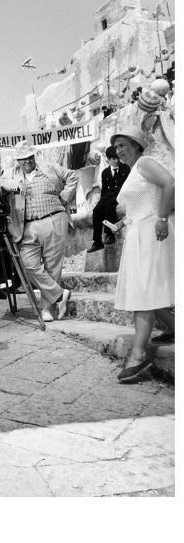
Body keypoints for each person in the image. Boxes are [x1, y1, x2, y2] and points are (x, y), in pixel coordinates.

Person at [110, 125, 175, 383]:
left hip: (151, 232)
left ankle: (138, 356)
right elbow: (138, 207)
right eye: (116, 147)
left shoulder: (145, 162)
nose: (118, 151)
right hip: (138, 232)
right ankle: (174, 326)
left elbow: (170, 183)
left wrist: (162, 218)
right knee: (145, 289)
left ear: (136, 145)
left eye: (122, 145)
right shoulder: (132, 171)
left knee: (142, 293)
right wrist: (119, 224)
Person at [0, 140, 78, 323]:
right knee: (29, 264)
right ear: (17, 160)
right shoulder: (12, 173)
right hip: (27, 226)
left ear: (34, 156)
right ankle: (60, 294)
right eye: (22, 159)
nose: (27, 162)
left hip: (53, 219)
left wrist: (65, 195)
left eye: (29, 157)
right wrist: (16, 184)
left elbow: (72, 176)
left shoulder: (49, 168)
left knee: (52, 266)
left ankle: (47, 309)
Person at [87, 146, 130, 252]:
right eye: (113, 158)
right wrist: (101, 202)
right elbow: (104, 190)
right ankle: (97, 242)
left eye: (117, 158)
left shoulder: (125, 169)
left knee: (110, 205)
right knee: (96, 210)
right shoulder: (105, 172)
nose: (116, 161)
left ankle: (110, 235)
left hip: (120, 195)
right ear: (108, 159)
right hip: (107, 196)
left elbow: (127, 186)